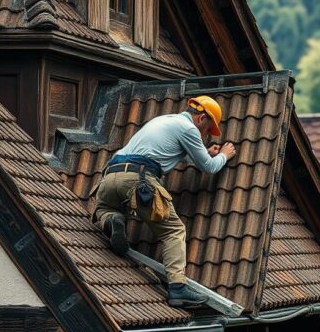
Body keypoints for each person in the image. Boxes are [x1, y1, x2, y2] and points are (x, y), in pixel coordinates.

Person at [92, 96, 236, 308]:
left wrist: (205, 152)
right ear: (201, 118)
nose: (205, 135)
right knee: (174, 231)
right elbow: (209, 167)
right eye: (208, 130)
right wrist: (223, 155)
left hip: (110, 176)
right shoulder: (188, 129)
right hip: (138, 179)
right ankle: (178, 288)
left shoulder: (164, 119)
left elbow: (177, 153)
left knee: (104, 208)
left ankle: (112, 219)